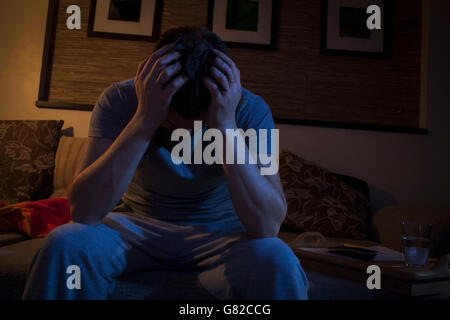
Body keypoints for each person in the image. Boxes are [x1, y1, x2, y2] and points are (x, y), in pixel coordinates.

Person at [22, 26, 309, 300]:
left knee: (278, 258)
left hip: (221, 234)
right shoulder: (119, 99)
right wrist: (146, 118)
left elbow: (268, 225)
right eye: (171, 120)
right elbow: (83, 211)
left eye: (197, 122)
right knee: (65, 243)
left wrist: (225, 125)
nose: (180, 131)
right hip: (136, 226)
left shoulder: (251, 109)